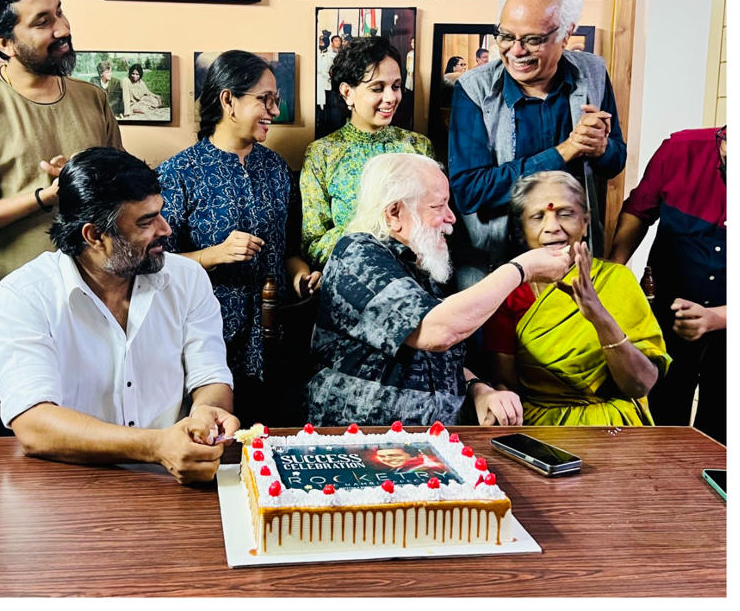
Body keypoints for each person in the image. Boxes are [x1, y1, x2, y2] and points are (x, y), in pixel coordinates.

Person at [0, 147, 238, 484]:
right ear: (94, 235)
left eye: (160, 213)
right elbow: (33, 423)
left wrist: (208, 412)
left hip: (174, 481)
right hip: (66, 483)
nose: (165, 229)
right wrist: (155, 447)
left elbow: (210, 376)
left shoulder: (188, 279)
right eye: (146, 222)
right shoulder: (23, 295)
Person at [306, 153, 572, 426]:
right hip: (363, 444)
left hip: (433, 443)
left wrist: (479, 389)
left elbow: (437, 358)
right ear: (394, 212)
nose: (452, 218)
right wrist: (521, 269)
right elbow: (436, 332)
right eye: (438, 206)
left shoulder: (418, 263)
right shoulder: (357, 255)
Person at [0, 0, 122, 436]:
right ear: (4, 42)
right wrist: (45, 196)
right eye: (42, 22)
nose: (63, 29)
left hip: (97, 313)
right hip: (10, 323)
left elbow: (120, 198)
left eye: (59, 13)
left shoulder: (92, 99)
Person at [157, 50, 321, 426]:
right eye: (264, 99)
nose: (274, 111)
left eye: (276, 100)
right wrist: (216, 254)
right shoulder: (178, 173)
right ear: (228, 100)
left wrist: (300, 275)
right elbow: (156, 266)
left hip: (276, 340)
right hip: (208, 343)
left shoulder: (277, 168)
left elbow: (289, 250)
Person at [448, 0, 626, 287]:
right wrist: (565, 151)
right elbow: (469, 192)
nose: (515, 51)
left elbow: (615, 162)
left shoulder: (594, 72)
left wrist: (601, 149)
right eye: (505, 36)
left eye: (533, 39)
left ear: (566, 34)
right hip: (496, 267)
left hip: (573, 263)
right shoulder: (473, 89)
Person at [477, 171, 670, 426]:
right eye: (537, 217)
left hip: (615, 426)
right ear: (521, 230)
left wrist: (599, 315)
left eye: (565, 213)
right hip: (537, 425)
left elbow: (641, 385)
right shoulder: (508, 291)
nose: (553, 227)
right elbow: (506, 385)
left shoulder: (617, 281)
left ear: (586, 222)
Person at [610, 127, 726, 443]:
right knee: (659, 421)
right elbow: (638, 210)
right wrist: (614, 273)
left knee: (720, 429)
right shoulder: (680, 149)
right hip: (667, 318)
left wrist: (718, 317)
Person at [300, 36, 435, 270]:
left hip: (416, 279)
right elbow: (314, 245)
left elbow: (437, 224)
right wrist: (374, 225)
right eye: (377, 88)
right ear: (347, 92)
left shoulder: (417, 146)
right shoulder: (323, 154)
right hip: (352, 279)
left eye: (396, 86)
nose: (391, 98)